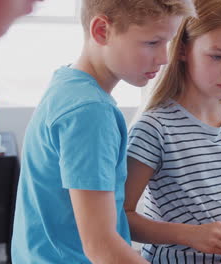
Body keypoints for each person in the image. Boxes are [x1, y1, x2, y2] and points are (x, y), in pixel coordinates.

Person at [11, 0, 195, 263]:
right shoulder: (90, 111)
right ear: (101, 31)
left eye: (168, 42)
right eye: (152, 43)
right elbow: (102, 246)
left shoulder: (67, 85)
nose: (164, 58)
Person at [124, 0, 221, 263]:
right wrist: (189, 235)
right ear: (182, 49)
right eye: (217, 56)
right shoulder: (154, 129)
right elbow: (122, 217)